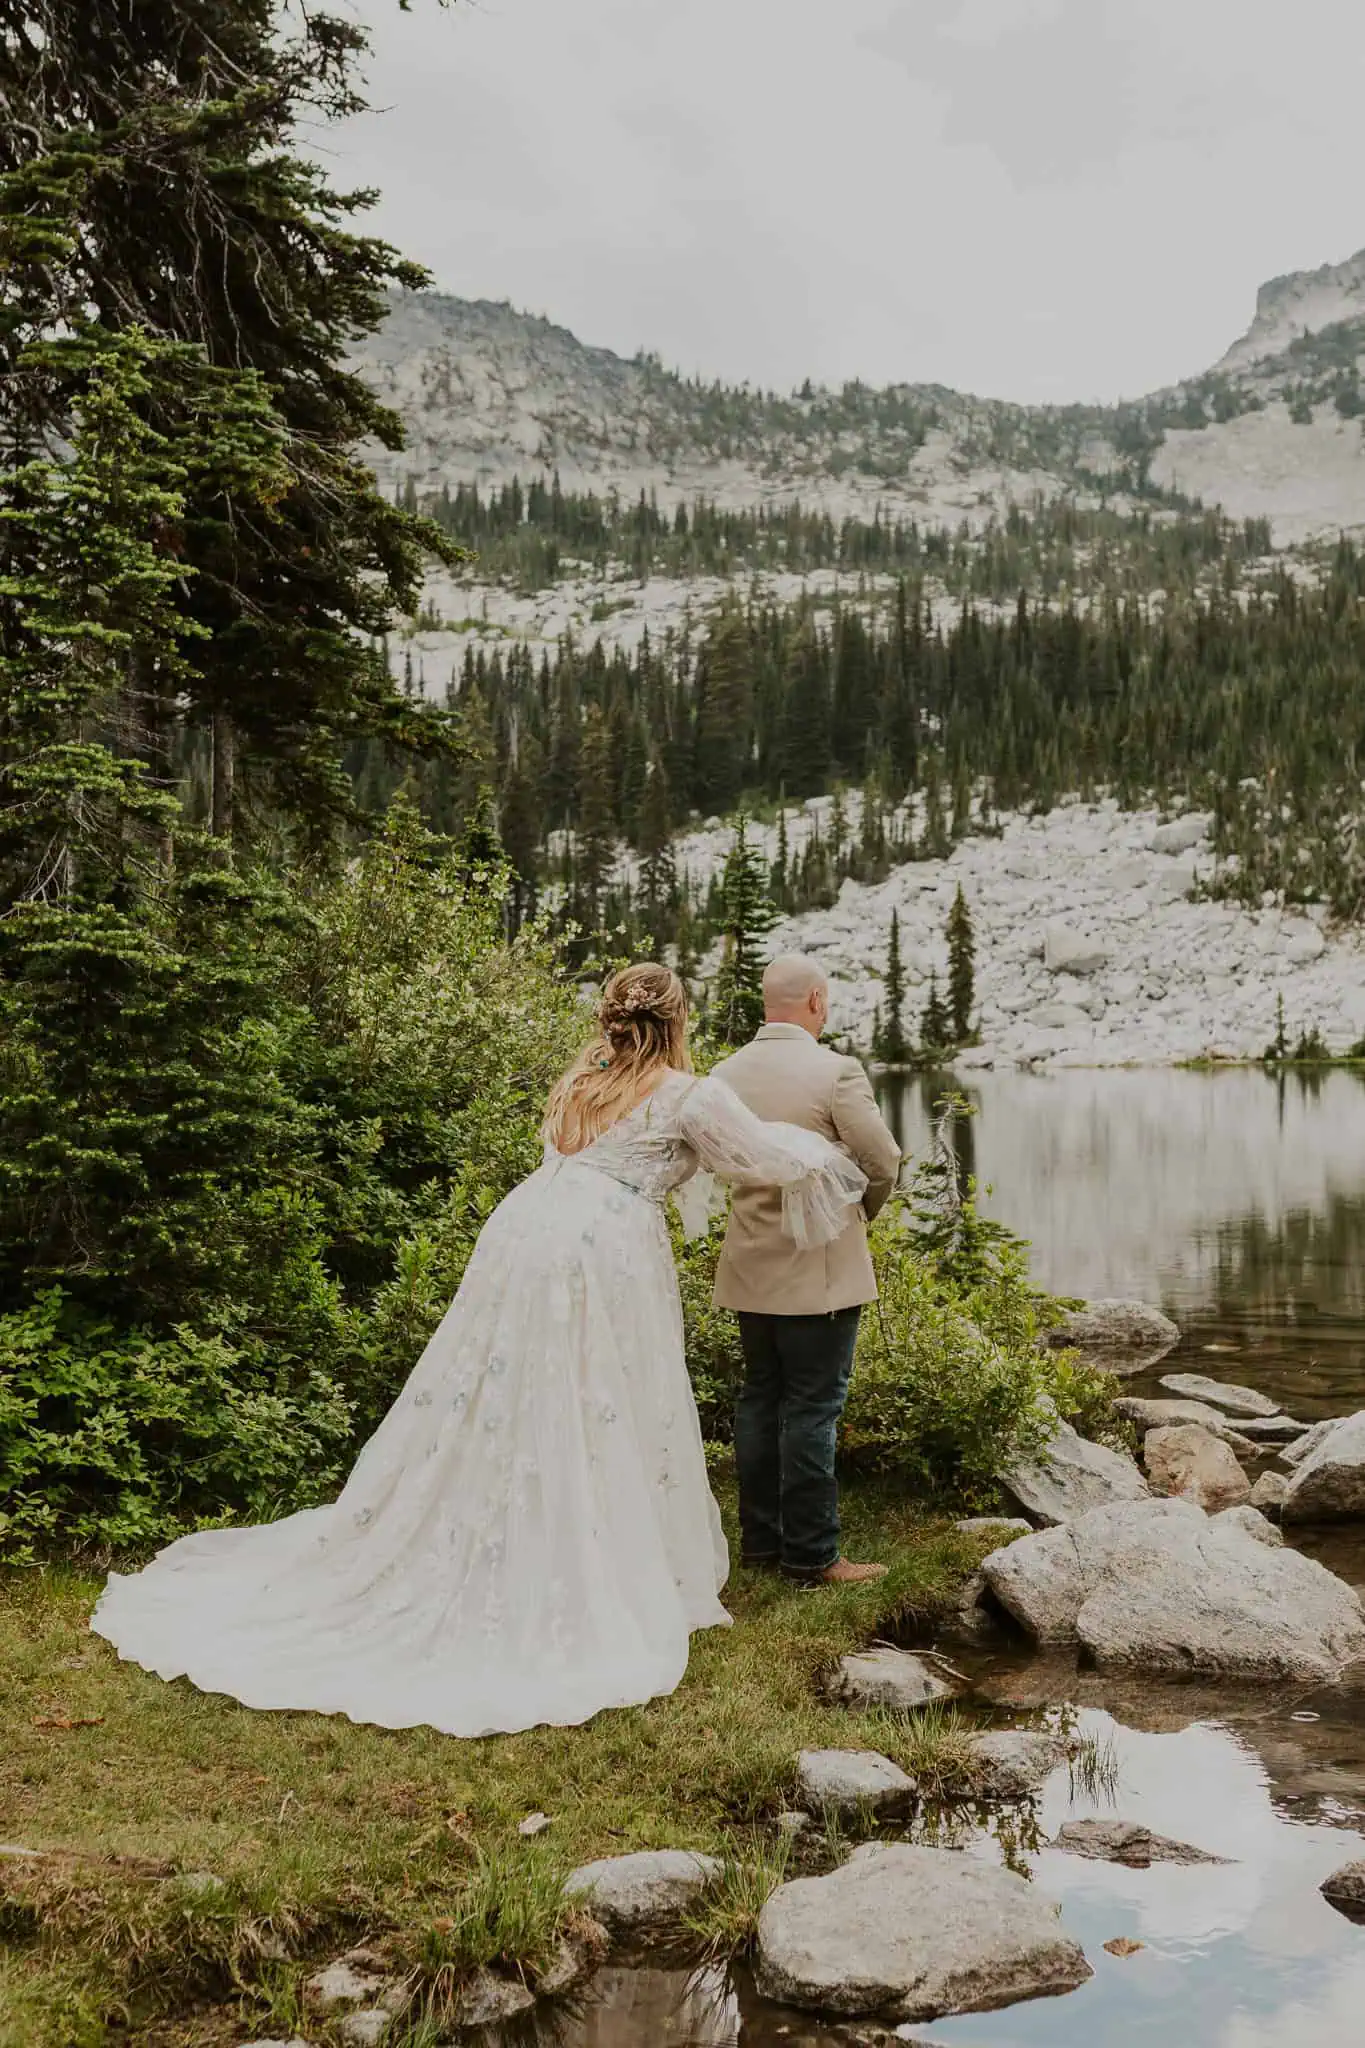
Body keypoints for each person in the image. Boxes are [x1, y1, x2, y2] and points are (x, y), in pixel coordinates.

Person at [91, 964, 868, 1738]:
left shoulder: (581, 1078)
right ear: (677, 1022)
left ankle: (507, 1521)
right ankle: (579, 1552)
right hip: (601, 1248)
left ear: (614, 1020)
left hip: (527, 1227)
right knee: (594, 1392)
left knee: (516, 1388)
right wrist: (825, 1154)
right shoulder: (686, 1093)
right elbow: (758, 1162)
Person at [712, 955, 903, 1585]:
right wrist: (858, 1214)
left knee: (760, 1399)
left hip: (749, 1265)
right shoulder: (835, 1073)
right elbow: (883, 1161)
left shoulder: (724, 1074)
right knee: (814, 1407)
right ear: (816, 1002)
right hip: (817, 1272)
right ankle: (814, 1555)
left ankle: (762, 1544)